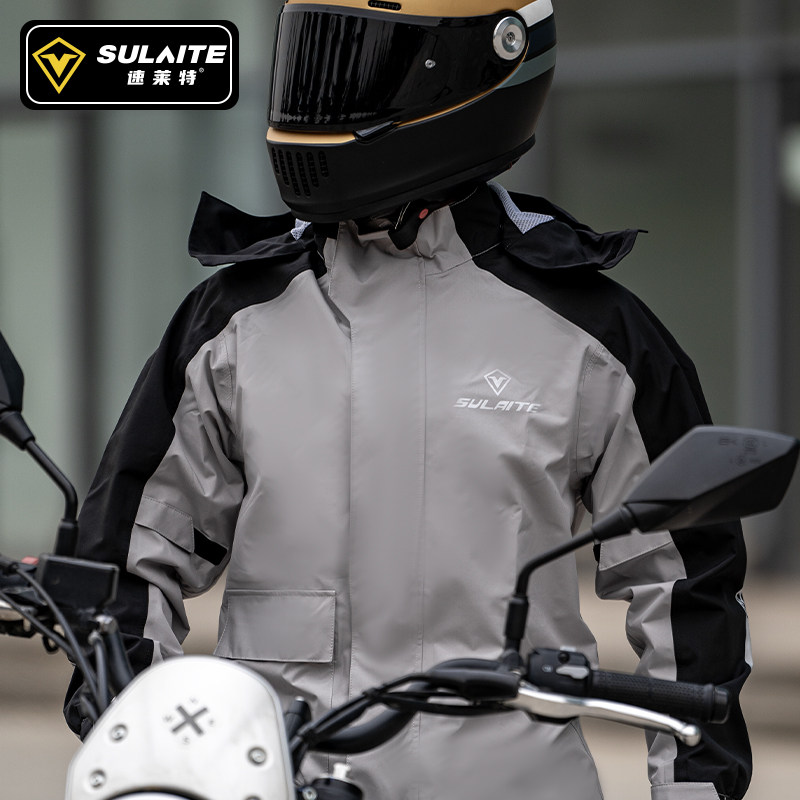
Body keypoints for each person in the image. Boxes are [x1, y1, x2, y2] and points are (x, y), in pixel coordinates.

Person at [65, 1, 751, 798]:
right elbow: (126, 563)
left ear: (481, 70)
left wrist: (695, 789)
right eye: (314, 54)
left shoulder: (593, 334)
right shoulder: (233, 323)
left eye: (361, 59)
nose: (323, 91)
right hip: (279, 777)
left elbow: (685, 587)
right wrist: (138, 745)